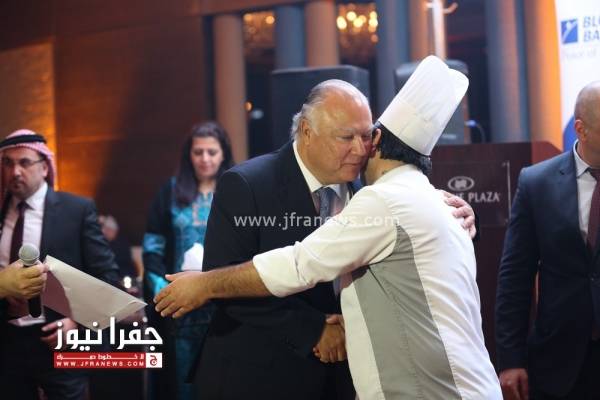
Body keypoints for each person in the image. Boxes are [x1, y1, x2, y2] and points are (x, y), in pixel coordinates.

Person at [155, 55, 501, 399]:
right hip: (261, 373)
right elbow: (226, 280)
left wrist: (465, 215)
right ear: (307, 132)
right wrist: (313, 330)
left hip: (347, 376)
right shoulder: (247, 184)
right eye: (345, 137)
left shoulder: (373, 191)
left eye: (367, 136)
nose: (360, 149)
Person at [495, 80, 600, 400]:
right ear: (581, 129)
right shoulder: (536, 183)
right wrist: (510, 359)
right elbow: (515, 276)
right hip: (558, 363)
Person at [0, 129, 120, 400]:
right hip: (7, 344)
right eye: (8, 163)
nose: (15, 171)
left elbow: (107, 276)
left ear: (44, 167)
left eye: (24, 162)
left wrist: (76, 323)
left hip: (60, 339)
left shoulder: (76, 210)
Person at [142, 121, 233, 400]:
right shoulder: (169, 193)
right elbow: (152, 249)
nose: (205, 159)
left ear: (223, 154)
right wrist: (166, 294)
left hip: (226, 302)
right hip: (180, 307)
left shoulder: (236, 191)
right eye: (198, 152)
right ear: (188, 155)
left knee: (224, 381)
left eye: (211, 152)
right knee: (182, 383)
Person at [99, 214, 137, 279]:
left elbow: (120, 261)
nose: (103, 231)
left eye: (107, 229)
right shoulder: (104, 242)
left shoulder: (122, 242)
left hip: (124, 274)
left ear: (112, 230)